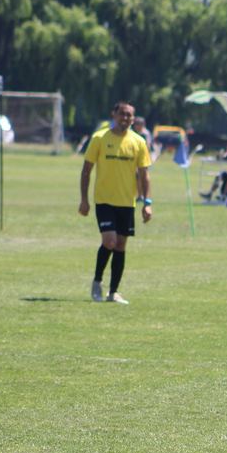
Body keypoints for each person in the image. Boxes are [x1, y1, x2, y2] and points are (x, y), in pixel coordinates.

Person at [79, 101, 152, 304]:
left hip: (127, 202)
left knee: (120, 245)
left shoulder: (138, 142)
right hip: (104, 200)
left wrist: (147, 203)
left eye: (129, 115)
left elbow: (144, 175)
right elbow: (86, 171)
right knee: (109, 241)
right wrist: (84, 200)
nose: (125, 118)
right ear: (114, 114)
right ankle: (97, 281)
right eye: (122, 114)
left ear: (133, 119)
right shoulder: (99, 138)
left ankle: (113, 292)